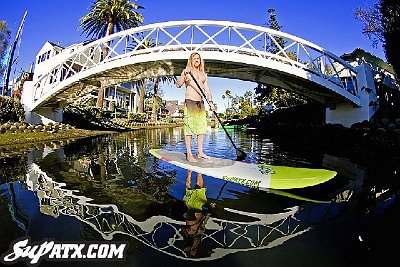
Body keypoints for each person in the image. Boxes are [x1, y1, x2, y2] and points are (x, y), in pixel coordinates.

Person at [176, 52, 216, 163]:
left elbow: (207, 89)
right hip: (190, 101)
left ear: (200, 60)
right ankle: (189, 153)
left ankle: (200, 152)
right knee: (189, 128)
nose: (197, 60)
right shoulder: (187, 71)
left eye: (198, 58)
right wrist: (183, 75)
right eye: (194, 58)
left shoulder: (204, 74)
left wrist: (211, 102)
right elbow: (178, 85)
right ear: (191, 60)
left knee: (201, 128)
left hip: (201, 103)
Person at [181, 169, 216, 257]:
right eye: (195, 248)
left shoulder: (187, 236)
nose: (195, 246)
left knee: (189, 189)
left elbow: (183, 227)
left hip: (191, 209)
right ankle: (199, 172)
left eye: (193, 248)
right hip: (199, 207)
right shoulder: (201, 232)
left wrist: (191, 247)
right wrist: (210, 209)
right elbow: (205, 221)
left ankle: (189, 171)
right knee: (200, 188)